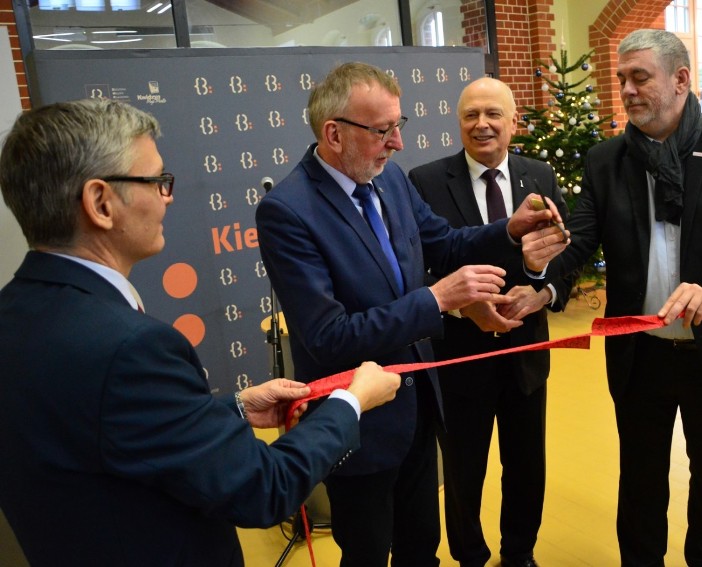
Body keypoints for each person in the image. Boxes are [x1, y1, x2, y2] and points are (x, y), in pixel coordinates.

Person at [0, 98, 402, 567]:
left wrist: (230, 408)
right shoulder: (133, 348)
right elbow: (262, 487)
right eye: (156, 181)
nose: (168, 197)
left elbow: (107, 428)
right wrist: (351, 402)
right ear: (100, 203)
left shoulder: (16, 315)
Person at [255, 62, 568, 567]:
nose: (398, 143)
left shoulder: (390, 179)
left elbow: (445, 243)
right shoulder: (288, 211)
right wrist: (438, 300)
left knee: (422, 546)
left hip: (419, 408)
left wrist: (509, 229)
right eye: (383, 131)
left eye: (399, 127)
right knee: (369, 552)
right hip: (358, 426)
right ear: (334, 133)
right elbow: (327, 336)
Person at [561, 29, 702, 566]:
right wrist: (542, 280)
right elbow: (579, 243)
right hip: (641, 354)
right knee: (640, 481)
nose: (626, 90)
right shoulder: (606, 160)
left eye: (639, 77)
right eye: (620, 79)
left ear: (681, 80)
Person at [408, 77, 572, 567]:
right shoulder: (426, 181)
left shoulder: (539, 175)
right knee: (463, 469)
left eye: (493, 114)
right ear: (458, 124)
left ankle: (519, 552)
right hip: (460, 356)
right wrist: (463, 306)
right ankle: (470, 555)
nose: (482, 124)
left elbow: (565, 252)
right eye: (470, 115)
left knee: (526, 464)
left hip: (525, 352)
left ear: (514, 122)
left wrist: (543, 290)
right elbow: (419, 265)